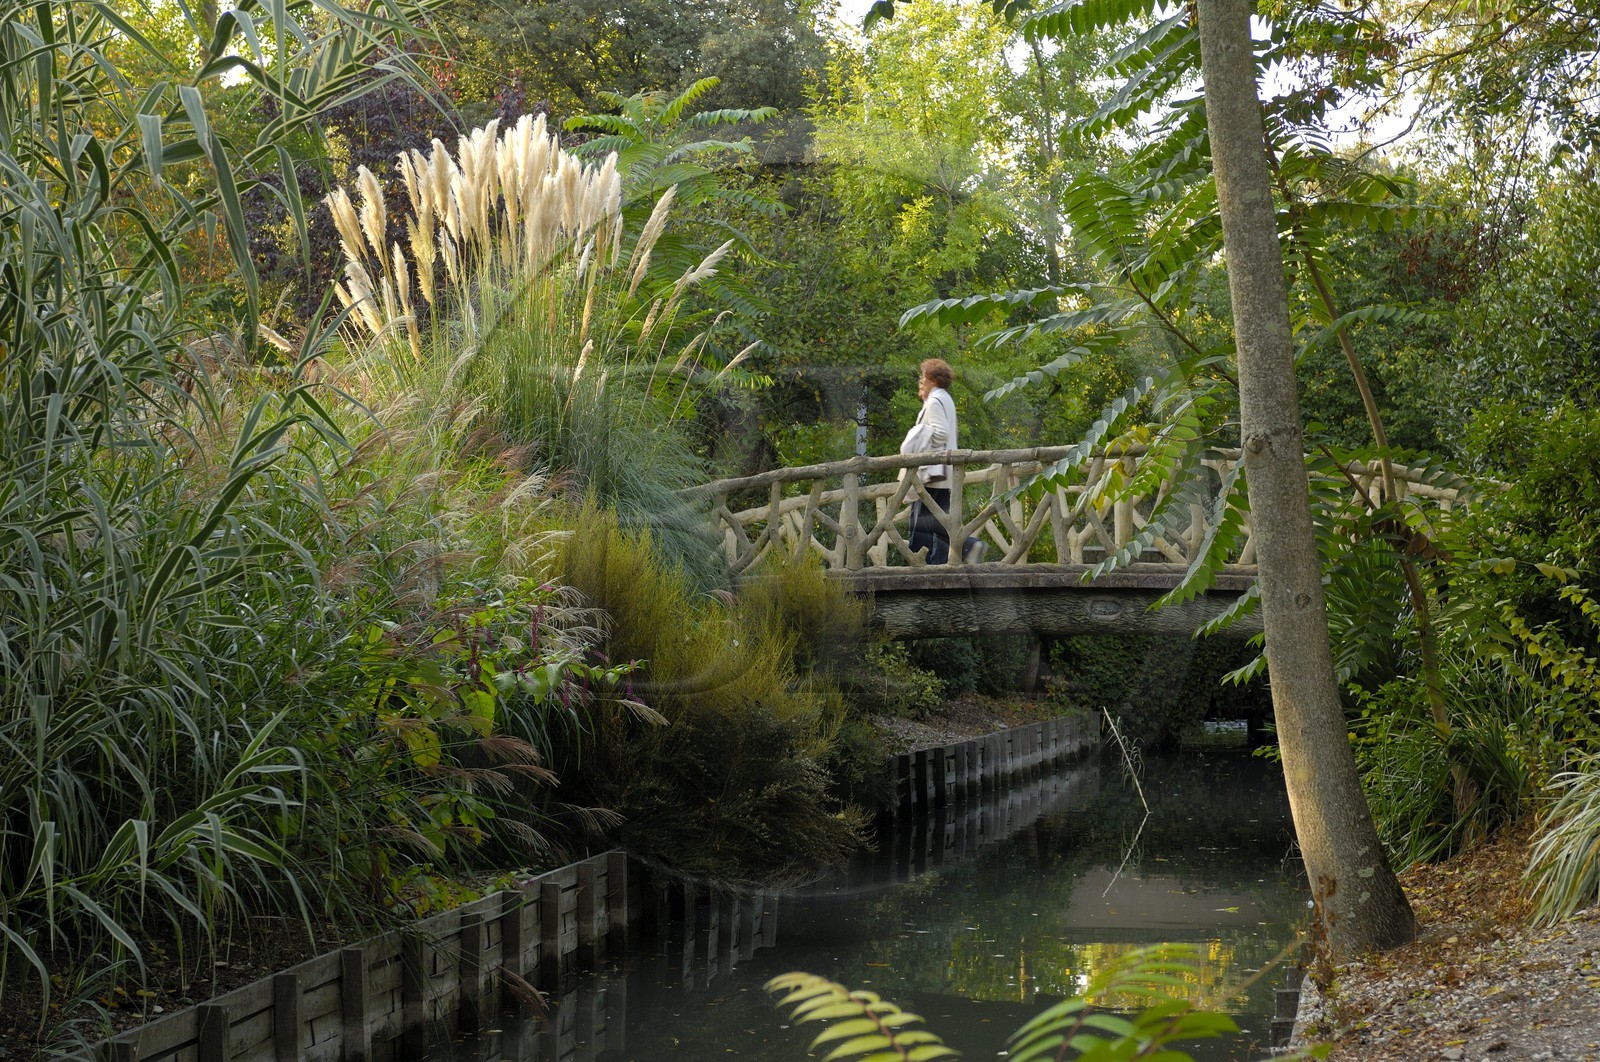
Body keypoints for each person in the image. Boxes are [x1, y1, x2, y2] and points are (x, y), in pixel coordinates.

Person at [900, 359, 983, 564]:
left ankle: (923, 567)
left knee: (922, 523)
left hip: (932, 472)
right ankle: (941, 561)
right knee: (939, 520)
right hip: (943, 473)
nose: (921, 381)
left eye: (923, 377)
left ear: (932, 380)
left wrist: (920, 438)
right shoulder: (944, 398)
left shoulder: (936, 400)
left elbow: (940, 432)